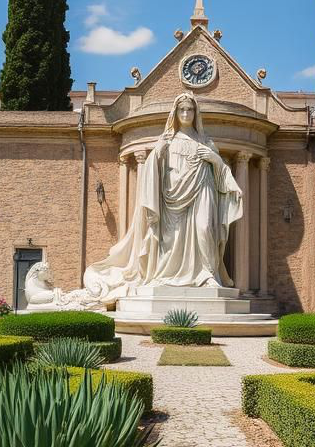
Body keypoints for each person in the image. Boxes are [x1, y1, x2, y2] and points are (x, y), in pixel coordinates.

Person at [80, 92, 243, 306]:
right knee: (171, 238)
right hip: (171, 196)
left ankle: (207, 275)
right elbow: (151, 168)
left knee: (204, 229)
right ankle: (166, 274)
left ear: (196, 113)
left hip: (203, 189)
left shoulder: (206, 141)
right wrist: (158, 152)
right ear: (175, 113)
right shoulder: (167, 140)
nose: (186, 113)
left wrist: (215, 159)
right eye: (182, 109)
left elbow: (222, 172)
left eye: (190, 109)